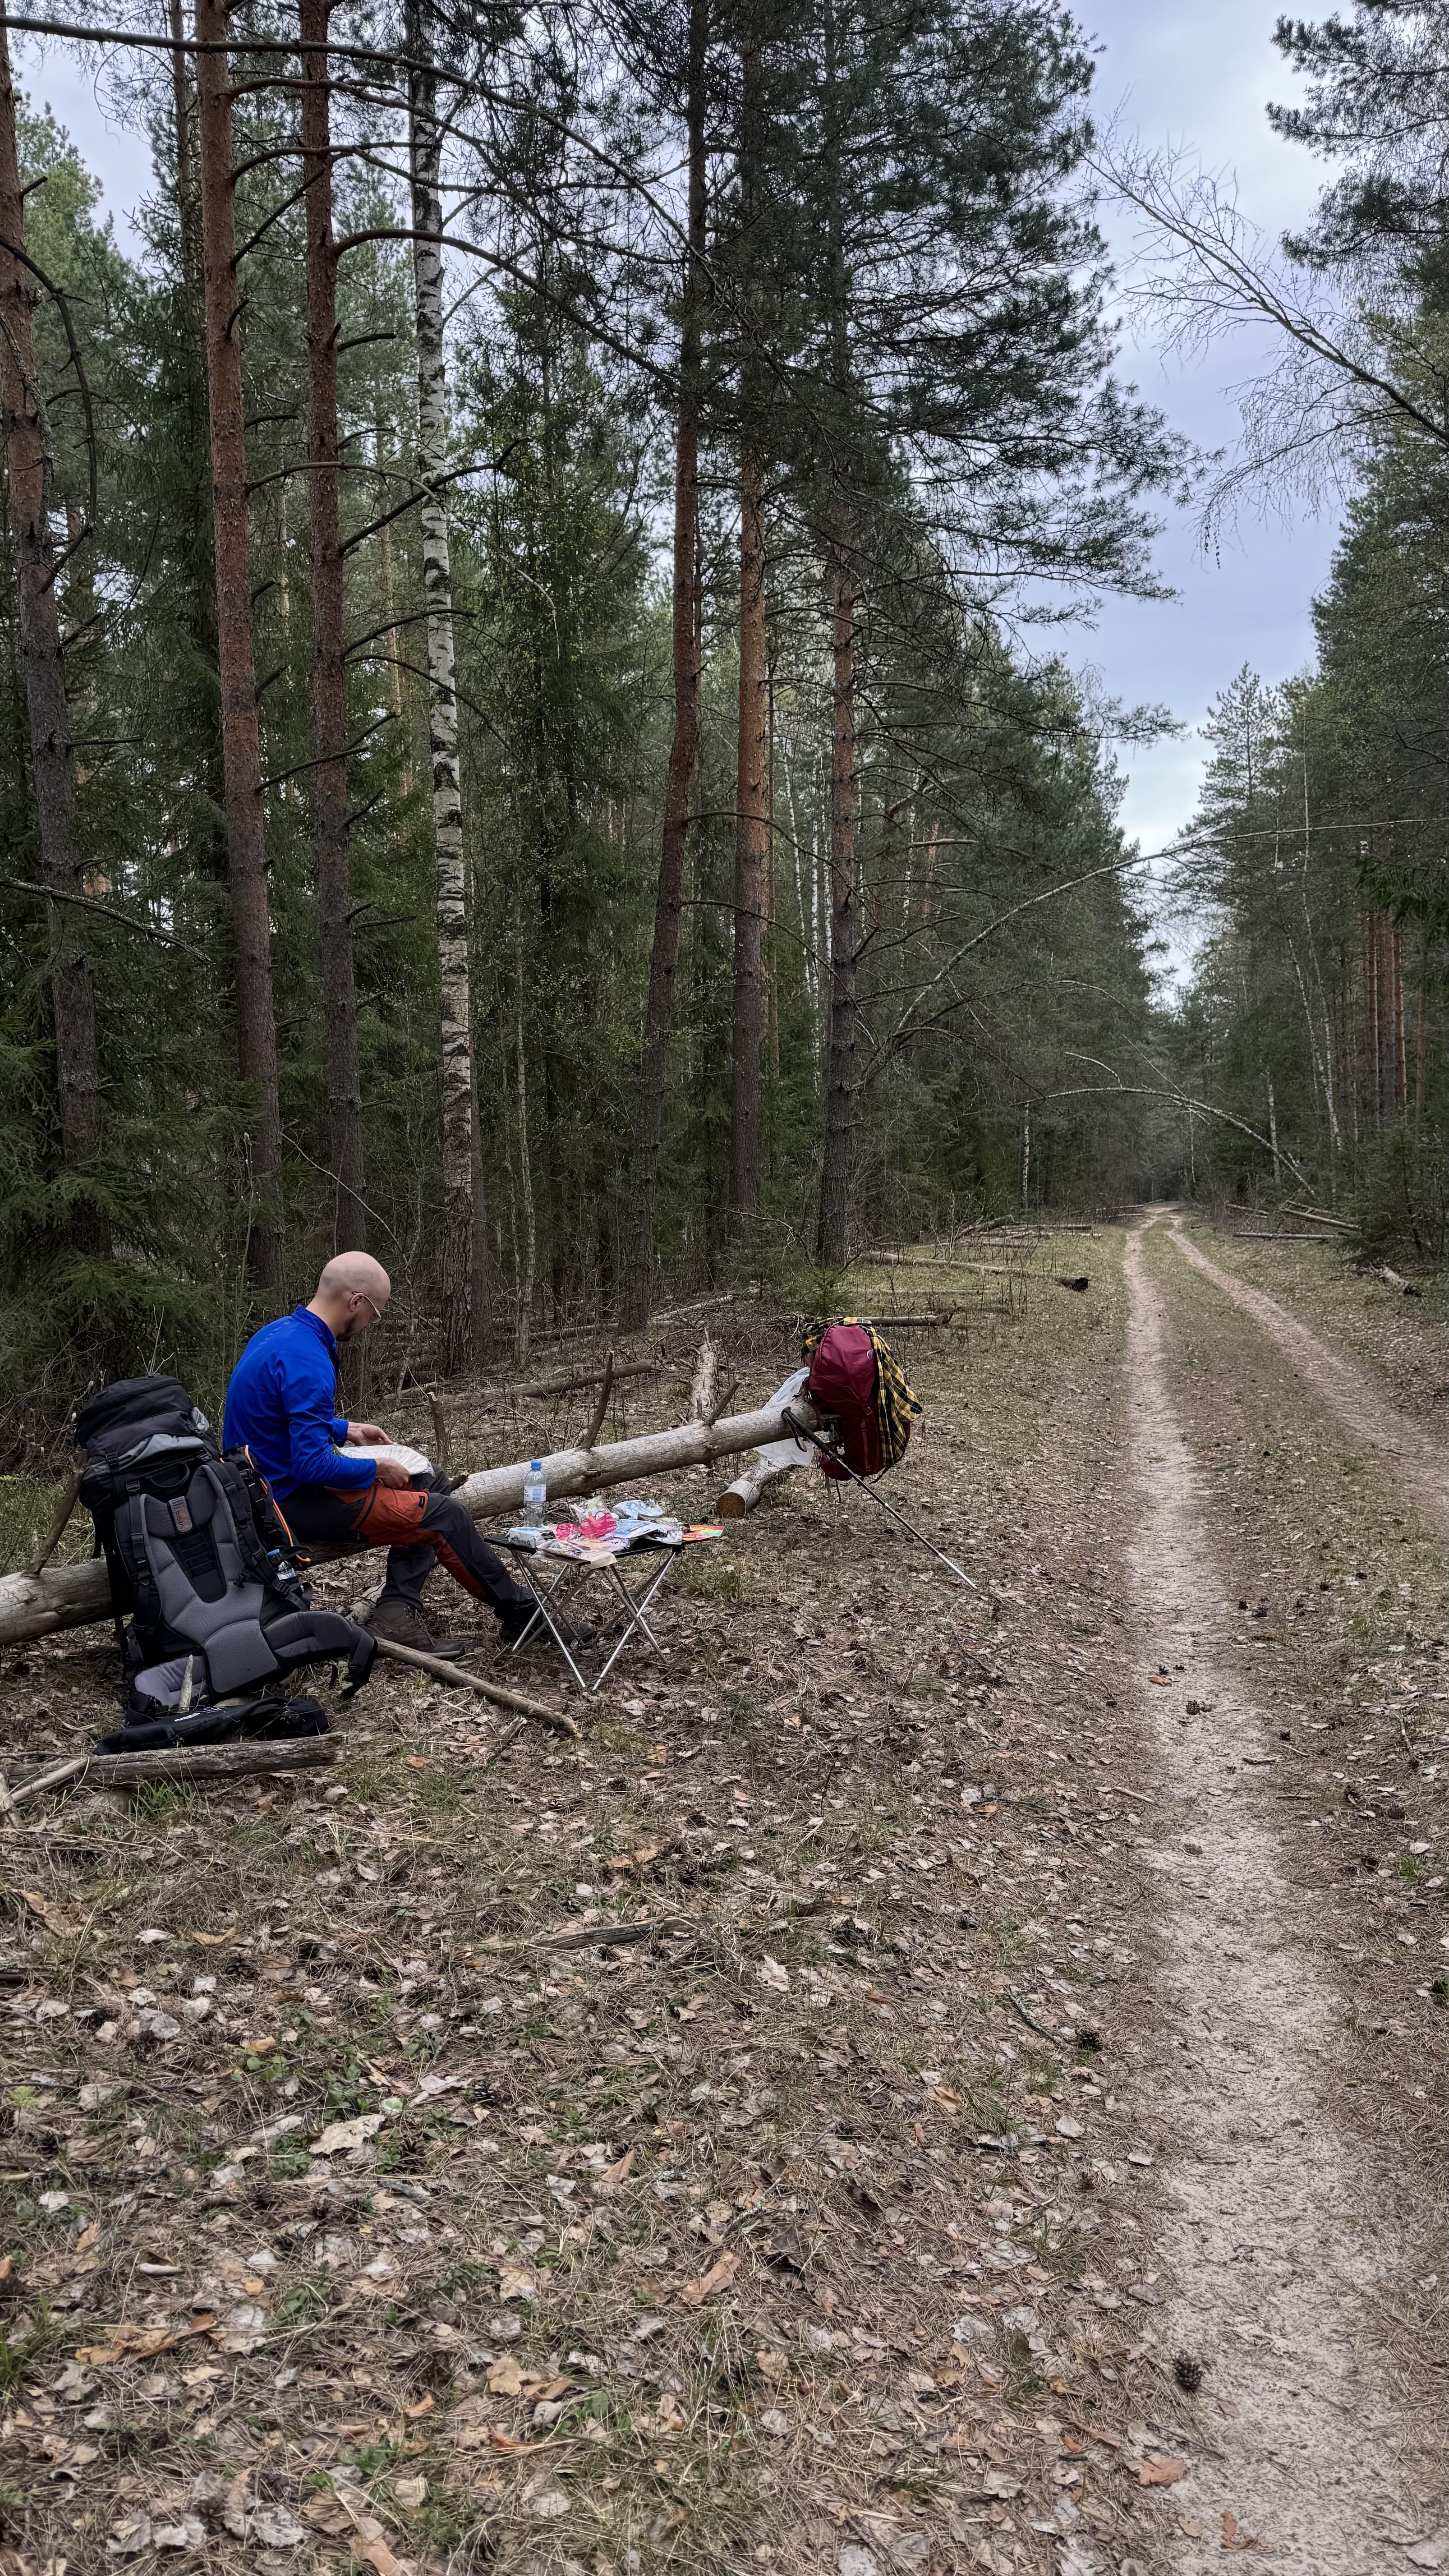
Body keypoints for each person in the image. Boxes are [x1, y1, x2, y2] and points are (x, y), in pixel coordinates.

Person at [222, 1251, 533, 1658]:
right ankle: (525, 1615)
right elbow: (312, 1465)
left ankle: (396, 1612)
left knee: (429, 1481)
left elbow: (274, 1417)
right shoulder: (308, 1358)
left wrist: (345, 1429)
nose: (370, 1324)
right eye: (375, 1313)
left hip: (265, 1484)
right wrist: (376, 1468)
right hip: (282, 1503)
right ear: (355, 1302)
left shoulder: (278, 1334)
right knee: (443, 1515)